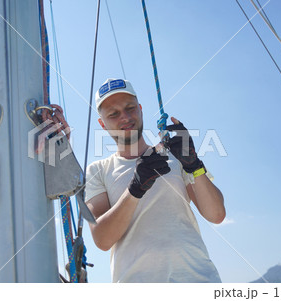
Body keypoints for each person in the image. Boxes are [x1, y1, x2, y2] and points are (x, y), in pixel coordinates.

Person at [85, 78, 226, 283]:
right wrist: (135, 190)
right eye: (113, 114)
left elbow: (216, 215)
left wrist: (194, 165)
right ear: (102, 124)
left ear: (141, 109)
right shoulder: (97, 171)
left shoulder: (176, 157)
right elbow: (102, 239)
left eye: (130, 108)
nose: (125, 117)